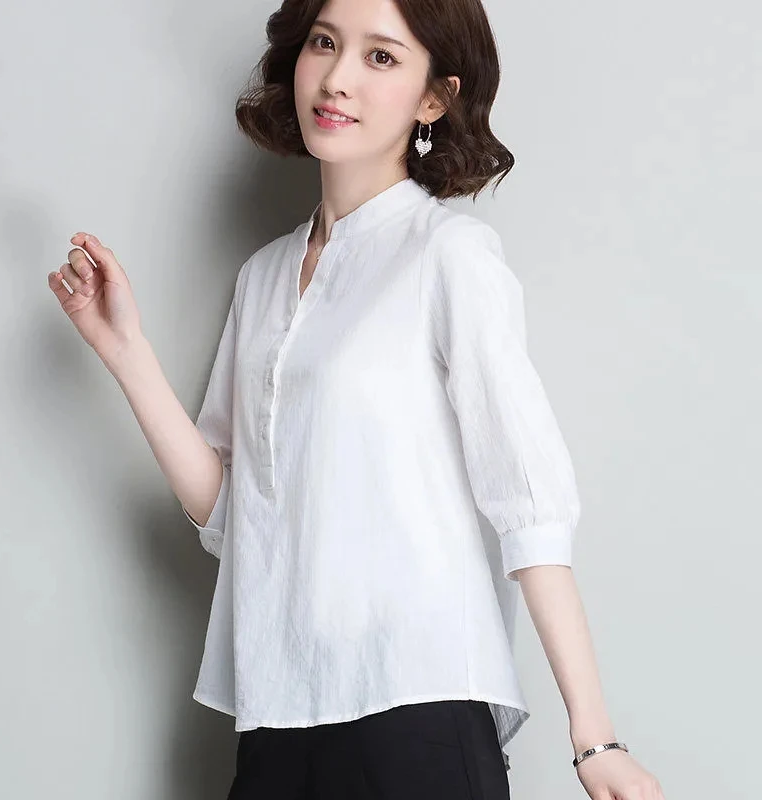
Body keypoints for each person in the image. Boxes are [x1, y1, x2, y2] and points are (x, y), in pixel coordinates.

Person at [47, 1, 667, 798]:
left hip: (415, 711)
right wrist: (124, 351)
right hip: (276, 715)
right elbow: (234, 513)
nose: (336, 78)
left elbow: (529, 502)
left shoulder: (449, 256)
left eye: (381, 57)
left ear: (434, 97)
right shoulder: (264, 276)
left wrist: (595, 737)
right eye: (325, 43)